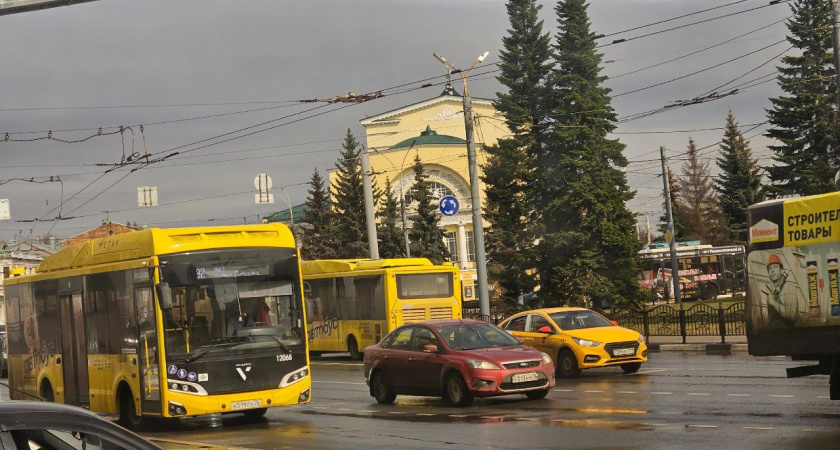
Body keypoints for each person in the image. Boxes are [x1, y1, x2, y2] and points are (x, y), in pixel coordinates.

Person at [761, 253, 805, 328]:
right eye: (770, 268)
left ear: (781, 271)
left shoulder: (789, 287)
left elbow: (792, 316)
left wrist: (773, 302)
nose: (772, 270)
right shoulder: (772, 290)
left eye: (775, 267)